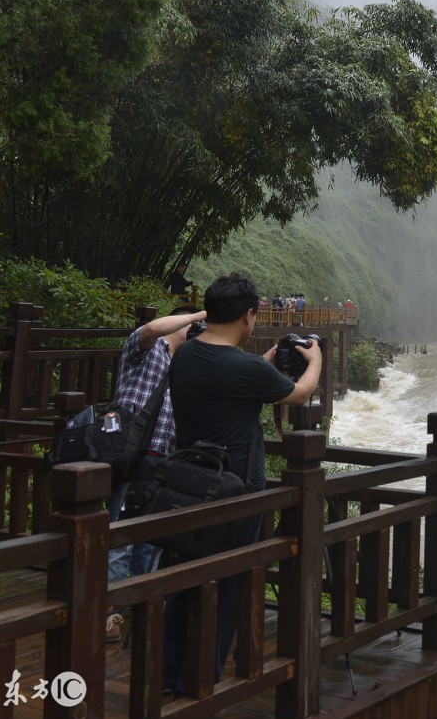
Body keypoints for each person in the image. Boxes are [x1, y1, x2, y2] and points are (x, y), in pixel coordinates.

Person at [161, 273, 321, 693]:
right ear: (249, 315)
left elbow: (227, 382)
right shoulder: (244, 368)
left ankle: (167, 673)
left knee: (184, 577)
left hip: (187, 483)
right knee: (227, 582)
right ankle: (201, 679)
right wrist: (316, 359)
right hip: (235, 492)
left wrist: (262, 365)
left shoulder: (186, 354)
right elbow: (300, 394)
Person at [105, 304, 207, 643]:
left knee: (149, 540)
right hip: (130, 458)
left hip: (161, 463)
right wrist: (198, 314)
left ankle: (142, 605)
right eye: (193, 325)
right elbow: (150, 329)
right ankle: (110, 614)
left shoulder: (186, 366)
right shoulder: (147, 351)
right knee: (120, 535)